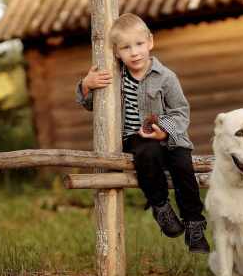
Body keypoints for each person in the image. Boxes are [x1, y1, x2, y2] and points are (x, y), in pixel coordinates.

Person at [75, 13, 209, 254]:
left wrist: (164, 132)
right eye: (126, 47)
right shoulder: (114, 78)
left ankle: (194, 224)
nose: (134, 52)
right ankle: (161, 207)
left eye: (139, 44)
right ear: (116, 52)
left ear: (150, 42)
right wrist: (86, 85)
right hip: (134, 139)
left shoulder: (166, 77)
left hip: (169, 136)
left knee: (183, 167)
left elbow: (181, 112)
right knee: (147, 154)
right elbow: (92, 105)